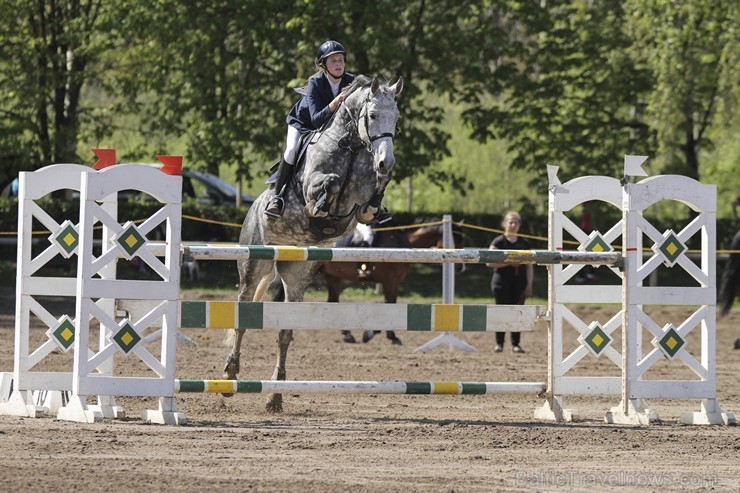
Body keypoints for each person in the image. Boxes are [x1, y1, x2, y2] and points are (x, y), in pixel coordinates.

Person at [486, 211, 534, 353]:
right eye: (510, 222)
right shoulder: (498, 241)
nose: (513, 225)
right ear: (504, 224)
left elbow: (530, 265)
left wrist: (529, 284)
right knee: (501, 311)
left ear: (519, 225)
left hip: (520, 282)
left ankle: (516, 344)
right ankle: (499, 343)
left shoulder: (524, 243)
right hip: (501, 282)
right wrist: (509, 263)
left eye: (516, 222)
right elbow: (489, 263)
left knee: (518, 312)